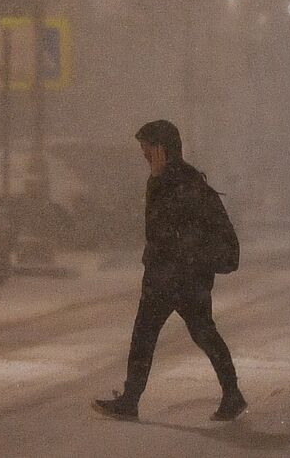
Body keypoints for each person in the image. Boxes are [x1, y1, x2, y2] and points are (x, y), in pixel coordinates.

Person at [92, 120, 246, 422]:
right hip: (179, 278)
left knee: (167, 337)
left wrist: (158, 181)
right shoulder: (177, 179)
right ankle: (230, 394)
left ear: (161, 149)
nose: (143, 153)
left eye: (146, 147)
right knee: (187, 335)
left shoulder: (179, 183)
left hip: (176, 278)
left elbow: (163, 228)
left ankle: (133, 401)